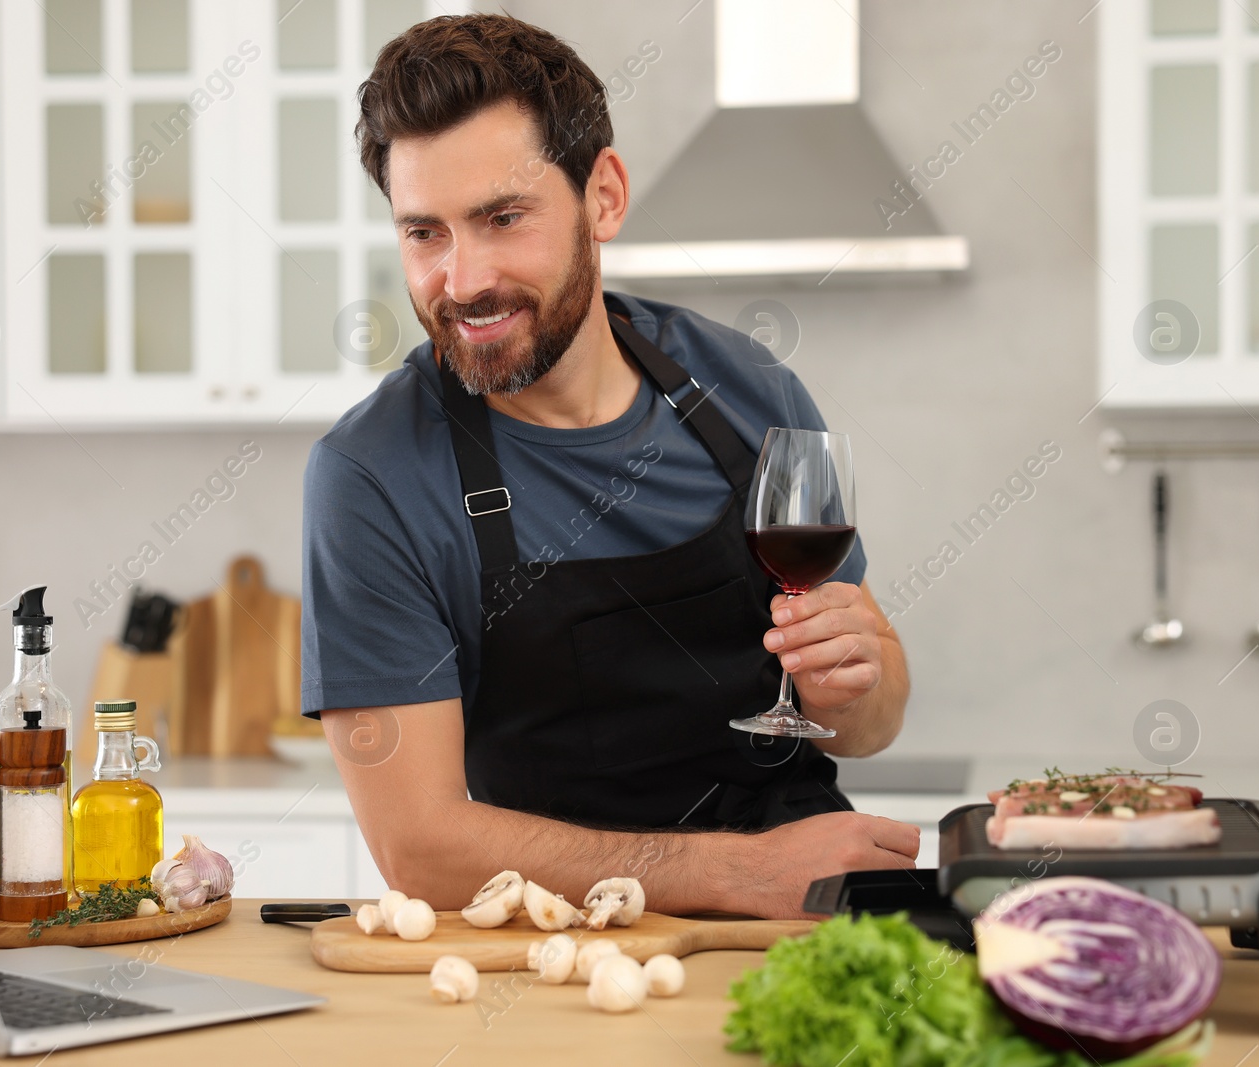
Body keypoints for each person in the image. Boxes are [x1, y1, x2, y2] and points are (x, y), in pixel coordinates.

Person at [300, 13, 916, 919]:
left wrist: (860, 680)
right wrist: (736, 873)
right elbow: (420, 849)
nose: (462, 280)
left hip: (810, 915)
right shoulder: (372, 476)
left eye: (503, 219)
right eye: (425, 233)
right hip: (554, 949)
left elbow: (872, 721)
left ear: (604, 196)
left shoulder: (750, 393)